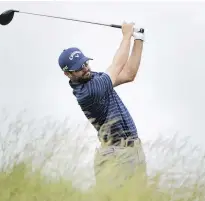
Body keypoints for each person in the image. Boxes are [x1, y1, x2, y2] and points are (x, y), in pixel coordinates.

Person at [58, 22, 146, 187]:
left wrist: (138, 39)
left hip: (132, 150)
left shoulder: (94, 78)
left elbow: (128, 74)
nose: (85, 69)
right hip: (115, 156)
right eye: (79, 68)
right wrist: (127, 35)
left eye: (85, 63)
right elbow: (117, 65)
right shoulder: (89, 92)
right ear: (67, 74)